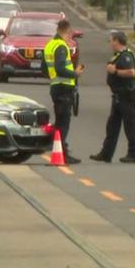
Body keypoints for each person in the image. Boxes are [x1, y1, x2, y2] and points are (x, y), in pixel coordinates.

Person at [90, 31, 135, 163]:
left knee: (131, 126)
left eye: (112, 40)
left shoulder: (126, 56)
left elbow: (131, 72)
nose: (110, 43)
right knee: (112, 126)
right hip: (118, 96)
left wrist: (116, 71)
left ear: (118, 42)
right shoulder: (117, 56)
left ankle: (134, 154)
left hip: (128, 95)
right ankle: (106, 153)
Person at [43, 19, 84, 164]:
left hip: (55, 86)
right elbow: (60, 69)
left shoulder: (49, 45)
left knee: (60, 121)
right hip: (63, 88)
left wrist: (54, 76)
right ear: (66, 31)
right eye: (69, 34)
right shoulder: (61, 46)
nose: (69, 38)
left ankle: (60, 149)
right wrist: (75, 74)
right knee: (63, 123)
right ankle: (61, 153)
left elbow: (44, 69)